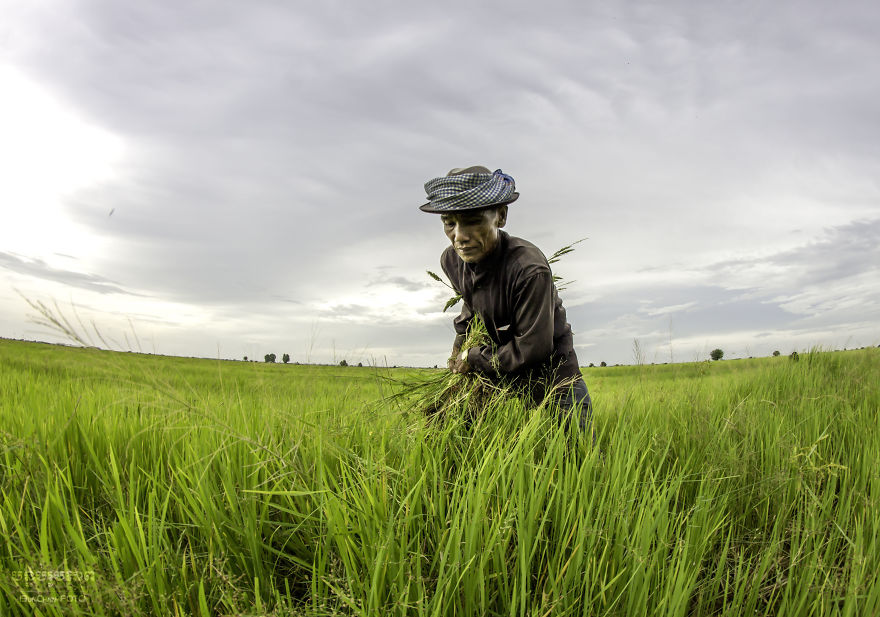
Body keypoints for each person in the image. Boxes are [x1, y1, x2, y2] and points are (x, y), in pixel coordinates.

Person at [420, 165, 592, 431]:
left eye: (473, 220)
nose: (459, 237)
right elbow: (471, 308)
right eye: (449, 223)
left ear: (500, 216)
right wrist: (457, 351)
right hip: (503, 373)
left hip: (552, 375)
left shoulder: (528, 269)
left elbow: (533, 349)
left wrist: (473, 357)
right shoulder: (452, 261)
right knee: (484, 446)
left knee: (578, 458)